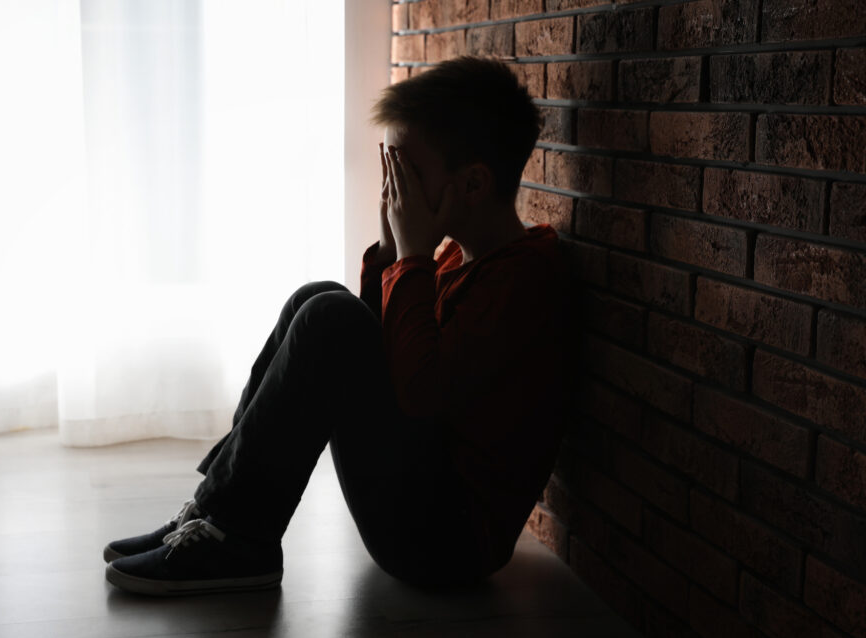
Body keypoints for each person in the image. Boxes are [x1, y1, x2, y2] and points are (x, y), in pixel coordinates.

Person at [103, 56, 568, 596]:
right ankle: (217, 515)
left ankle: (235, 535)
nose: (395, 190)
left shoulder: (523, 278)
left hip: (447, 544)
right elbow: (384, 349)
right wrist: (395, 251)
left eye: (407, 173)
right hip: (420, 505)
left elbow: (418, 393)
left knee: (332, 317)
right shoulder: (454, 260)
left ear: (471, 185)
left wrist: (412, 255)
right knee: (320, 299)